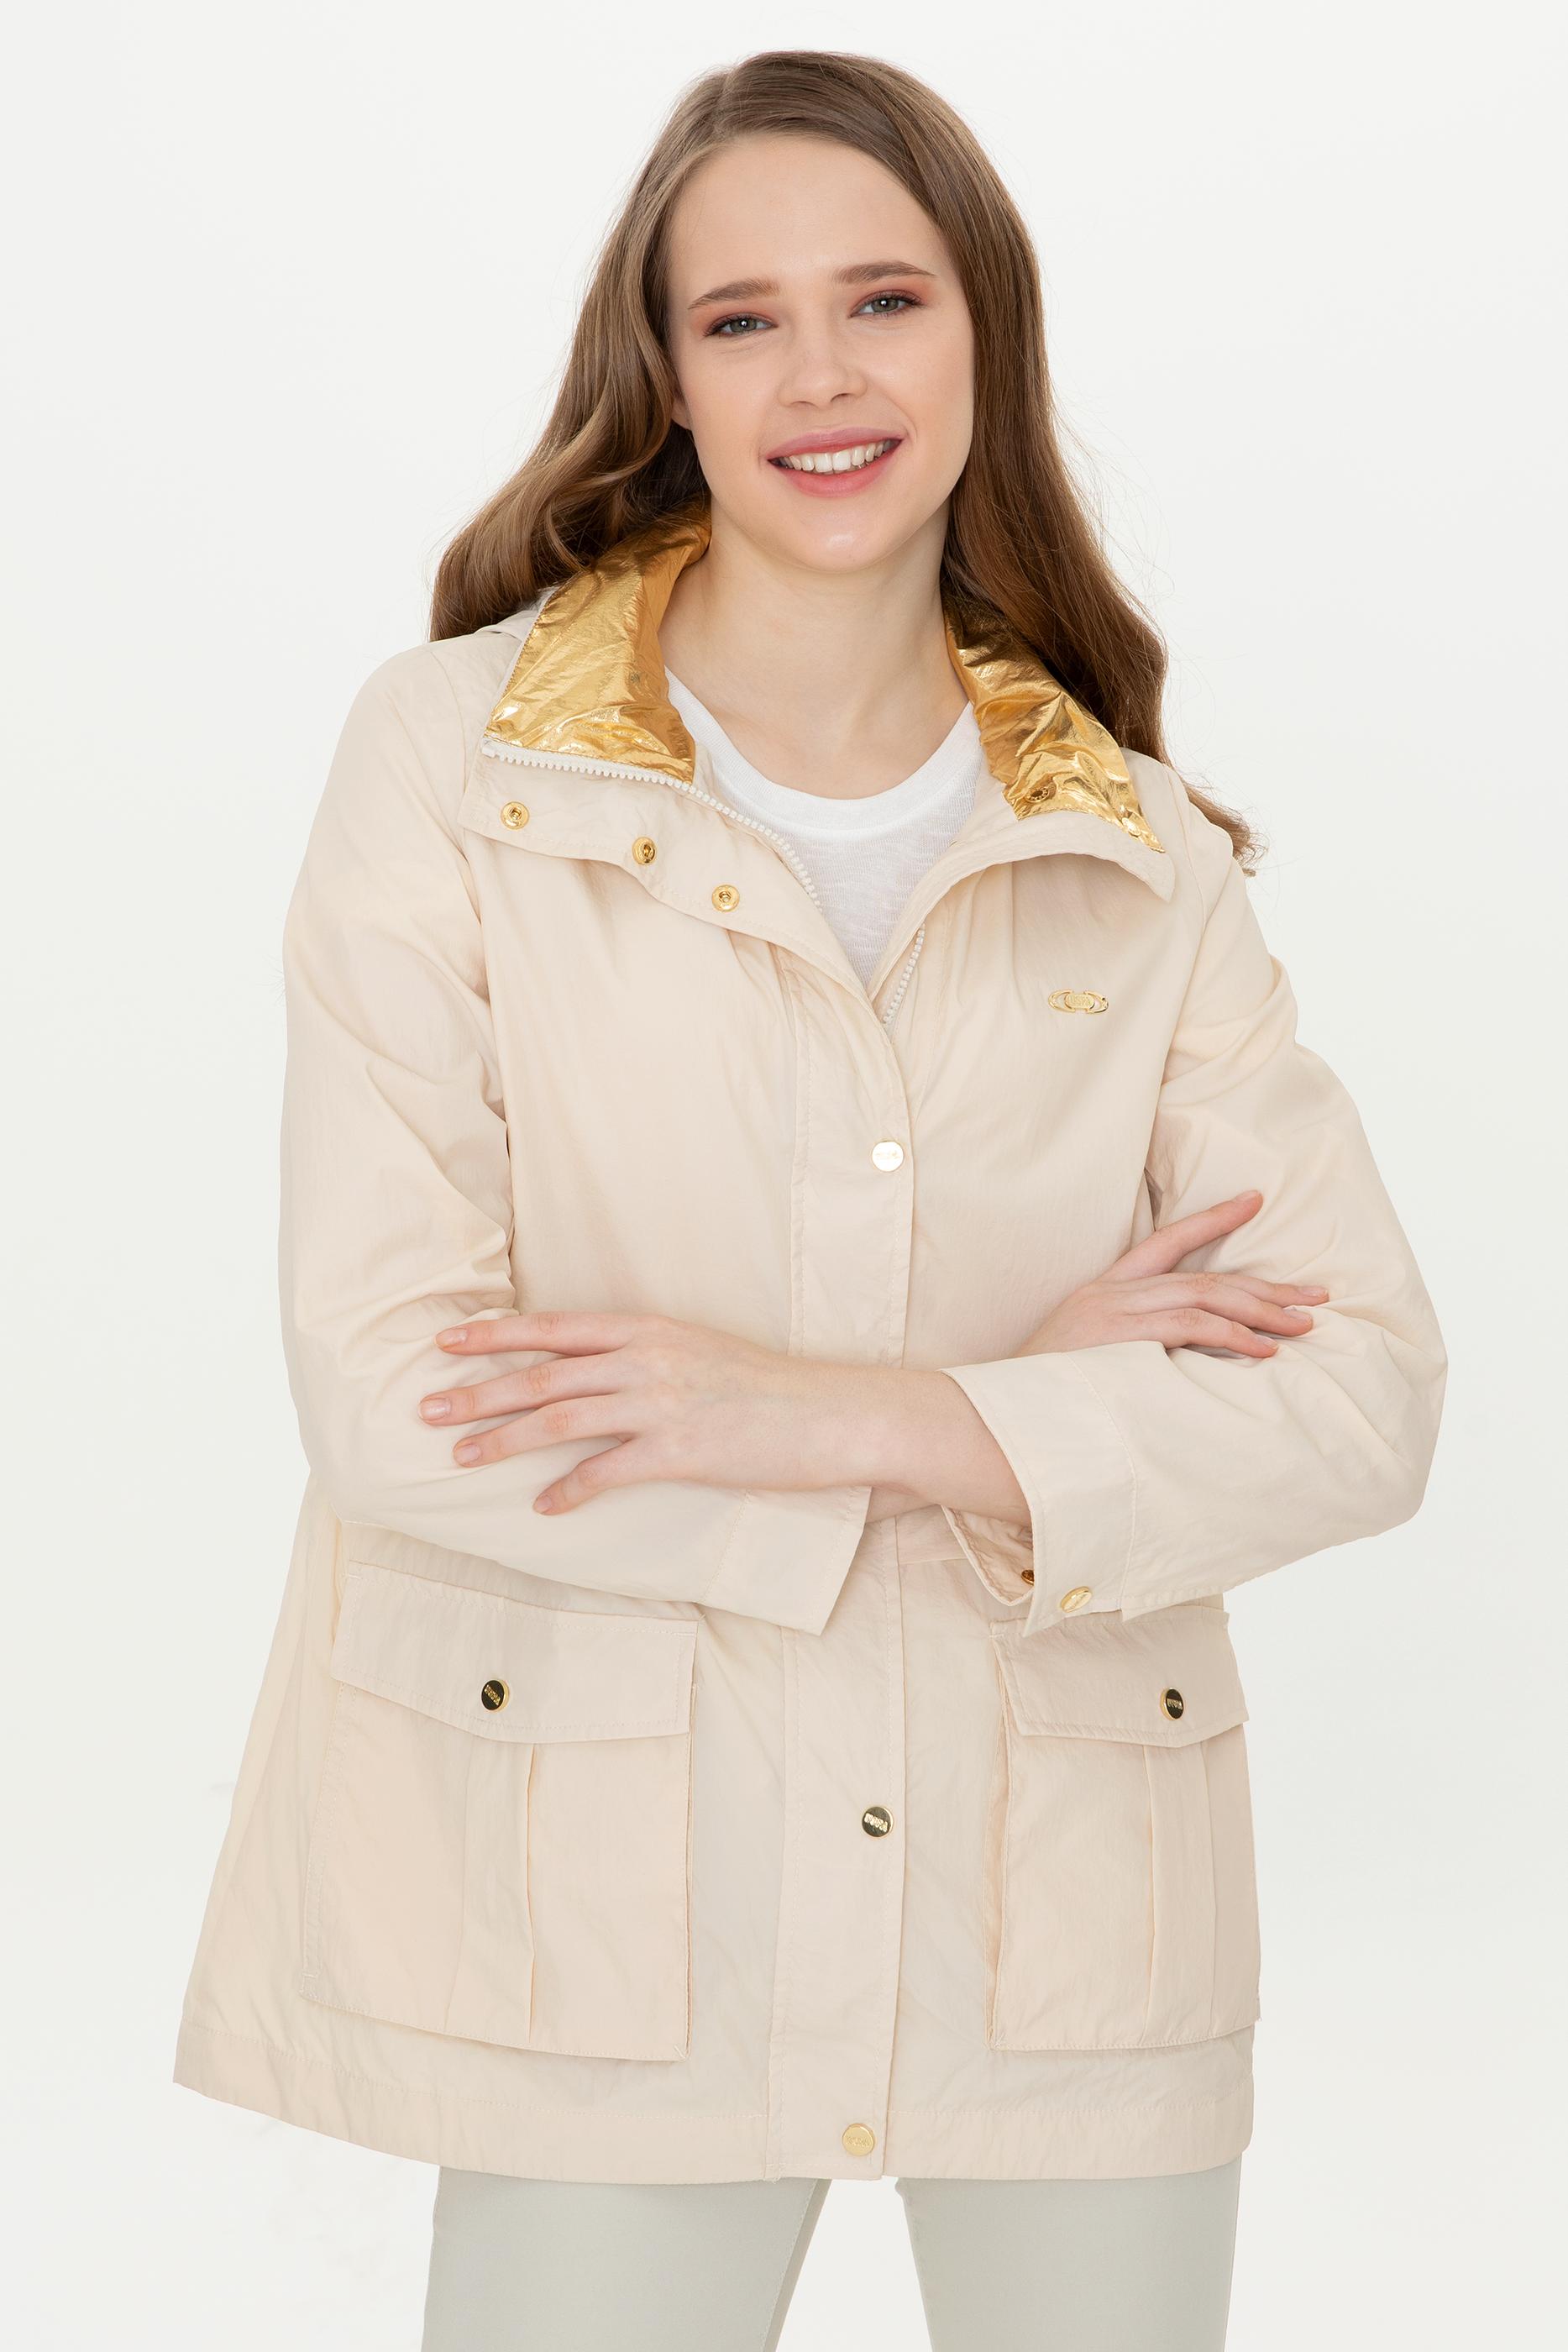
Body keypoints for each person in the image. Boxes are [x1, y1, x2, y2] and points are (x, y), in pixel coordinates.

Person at [170, 49, 1449, 2352]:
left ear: (984, 335)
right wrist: (1026, 1419)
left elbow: (1358, 1395)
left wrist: (827, 1411)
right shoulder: (456, 767)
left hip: (1068, 1900)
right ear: (664, 379)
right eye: (742, 318)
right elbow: (396, 1397)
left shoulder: (1135, 848)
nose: (823, 375)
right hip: (606, 1911)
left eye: (884, 298)